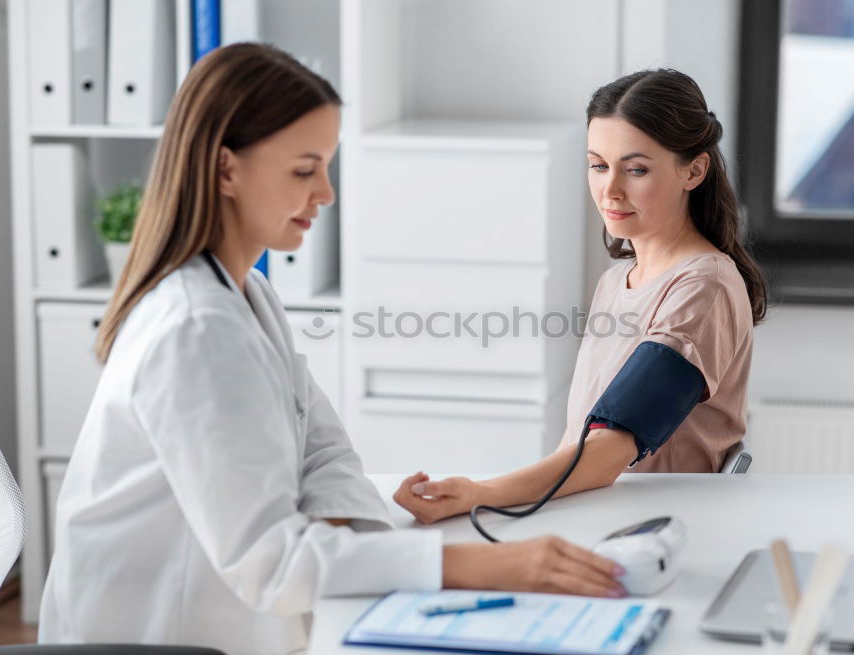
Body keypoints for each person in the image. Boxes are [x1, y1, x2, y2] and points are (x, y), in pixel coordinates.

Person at [37, 43, 625, 654]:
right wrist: (477, 566)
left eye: (327, 167)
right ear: (225, 169)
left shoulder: (248, 293)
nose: (325, 193)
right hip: (158, 637)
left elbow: (323, 449)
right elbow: (271, 564)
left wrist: (358, 540)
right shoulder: (193, 330)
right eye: (303, 169)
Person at [394, 69, 767, 525]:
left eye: (636, 169)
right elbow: (580, 440)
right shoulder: (616, 281)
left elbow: (611, 446)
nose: (610, 190)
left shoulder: (701, 289)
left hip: (650, 522)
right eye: (598, 165)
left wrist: (482, 494)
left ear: (694, 170)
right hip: (596, 508)